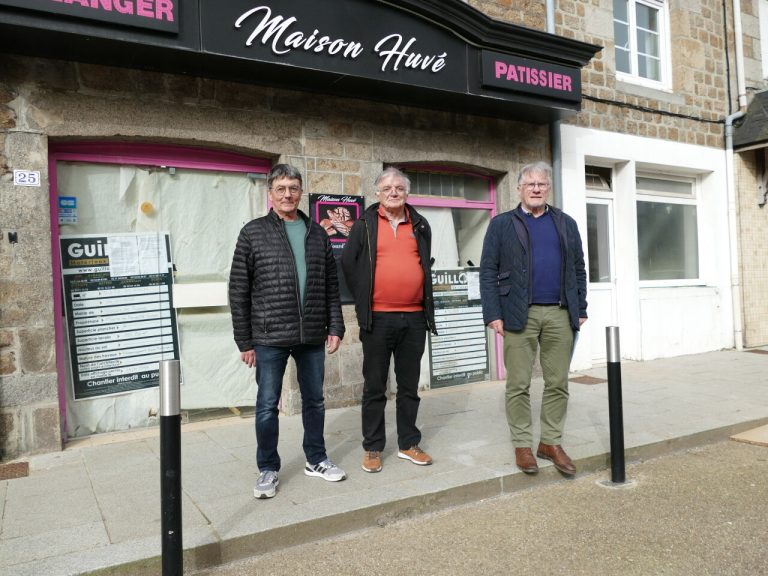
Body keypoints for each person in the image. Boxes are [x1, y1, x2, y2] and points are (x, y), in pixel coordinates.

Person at [229, 164, 347, 499]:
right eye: (280, 188)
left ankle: (316, 458)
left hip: (311, 333)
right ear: (270, 193)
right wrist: (245, 340)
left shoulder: (317, 233)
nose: (287, 194)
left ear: (300, 192)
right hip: (268, 337)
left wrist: (335, 325)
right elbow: (238, 289)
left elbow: (330, 286)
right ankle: (267, 468)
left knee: (315, 400)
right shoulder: (253, 232)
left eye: (293, 188)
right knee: (267, 404)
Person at [479, 161, 587, 476]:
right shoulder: (501, 224)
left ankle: (550, 442)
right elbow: (487, 271)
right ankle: (523, 444)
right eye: (530, 184)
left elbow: (579, 267)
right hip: (517, 313)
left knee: (558, 382)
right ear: (520, 188)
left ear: (548, 188)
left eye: (541, 184)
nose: (536, 189)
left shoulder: (565, 223)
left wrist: (580, 308)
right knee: (518, 384)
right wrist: (492, 313)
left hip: (560, 312)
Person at [342, 167, 437, 473]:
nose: (393, 192)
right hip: (378, 320)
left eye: (399, 188)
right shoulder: (364, 224)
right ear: (378, 194)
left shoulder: (420, 225)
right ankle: (372, 447)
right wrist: (364, 301)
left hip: (414, 319)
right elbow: (348, 264)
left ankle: (408, 443)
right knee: (374, 386)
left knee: (409, 386)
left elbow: (423, 262)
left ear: (406, 193)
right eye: (387, 188)